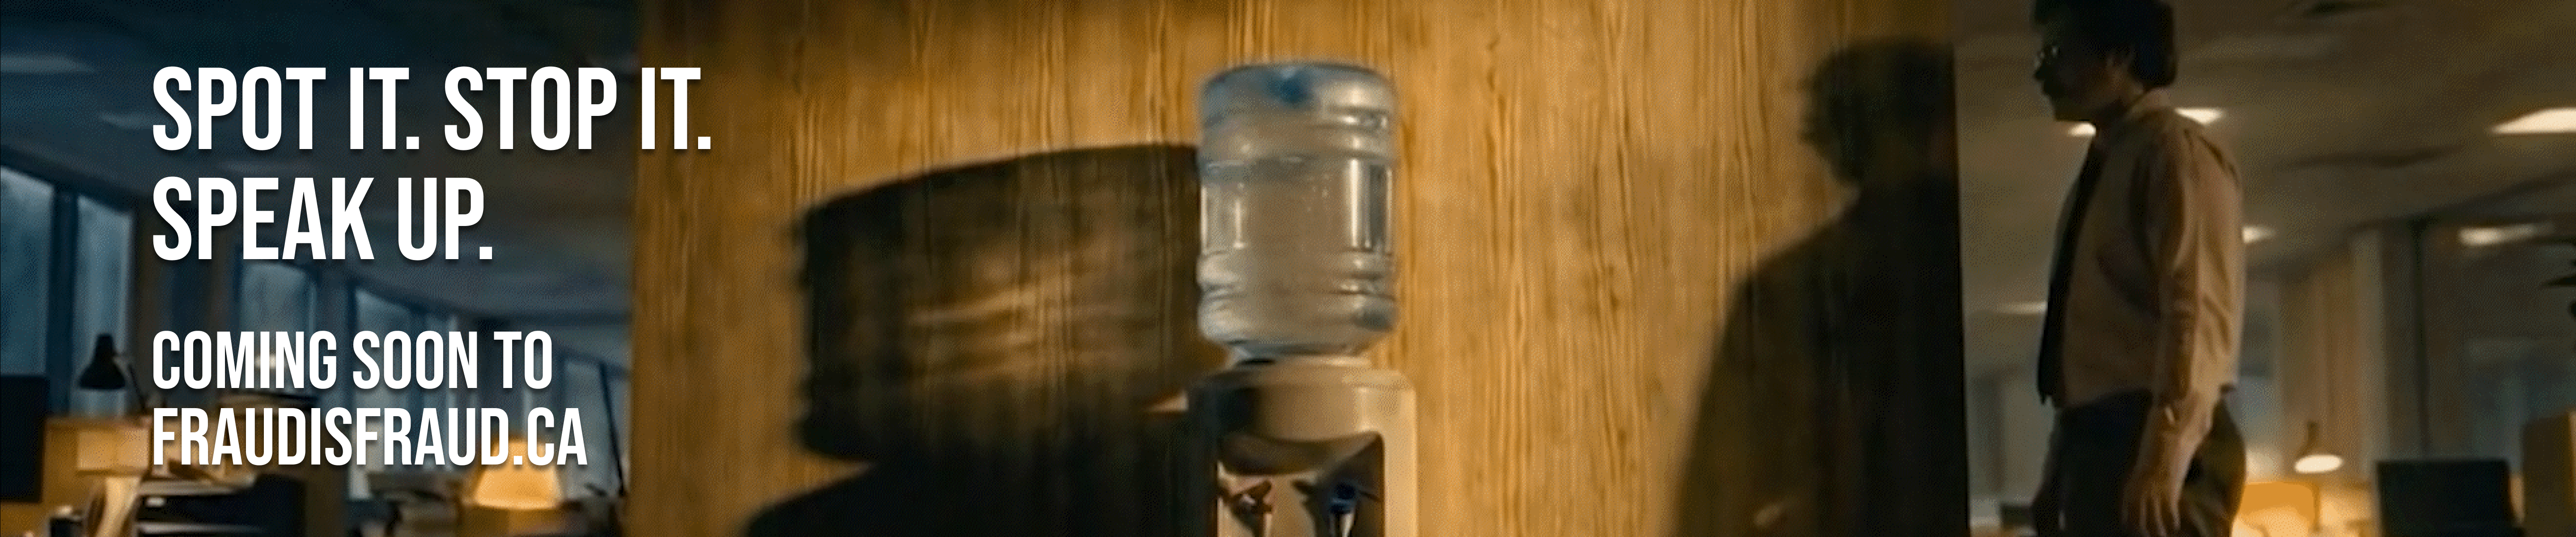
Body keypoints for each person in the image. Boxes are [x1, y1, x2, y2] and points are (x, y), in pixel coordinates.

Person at [2024, 0, 2249, 536]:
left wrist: (2163, 460)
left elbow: (2195, 314)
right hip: (2102, 436)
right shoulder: (2108, 162)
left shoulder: (2174, 152)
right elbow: (2088, 338)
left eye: (2058, 53)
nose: (2042, 71)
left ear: (2118, 56)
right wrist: (2062, 462)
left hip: (2147, 431)